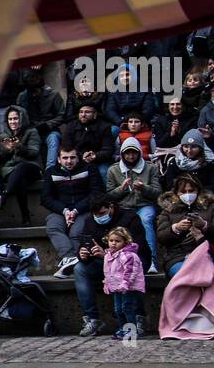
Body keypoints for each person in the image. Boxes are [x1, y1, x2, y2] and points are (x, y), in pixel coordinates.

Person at [70, 193, 150, 337]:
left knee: (132, 273)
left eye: (101, 213)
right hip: (105, 263)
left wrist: (108, 254)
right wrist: (83, 255)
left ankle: (138, 318)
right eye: (95, 214)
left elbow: (137, 248)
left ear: (110, 207)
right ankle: (92, 319)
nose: (98, 217)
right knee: (79, 269)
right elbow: (85, 244)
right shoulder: (90, 220)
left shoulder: (130, 218)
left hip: (130, 261)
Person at [155, 173, 214, 280]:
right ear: (176, 193)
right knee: (185, 275)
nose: (187, 194)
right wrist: (175, 228)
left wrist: (205, 226)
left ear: (198, 191)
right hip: (178, 257)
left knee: (212, 274)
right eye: (183, 192)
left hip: (208, 254)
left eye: (191, 191)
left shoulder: (211, 208)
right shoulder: (168, 210)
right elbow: (161, 237)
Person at [42, 145, 101, 277]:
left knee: (76, 232)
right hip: (60, 210)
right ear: (58, 159)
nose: (69, 161)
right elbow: (46, 198)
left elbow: (96, 193)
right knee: (53, 227)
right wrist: (64, 211)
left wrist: (76, 210)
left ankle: (76, 267)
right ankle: (70, 258)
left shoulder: (89, 168)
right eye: (65, 158)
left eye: (72, 157)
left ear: (78, 158)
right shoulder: (51, 172)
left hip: (84, 209)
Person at [104, 139, 161, 273]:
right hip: (123, 207)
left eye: (134, 153)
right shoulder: (113, 170)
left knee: (146, 220)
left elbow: (158, 193)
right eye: (127, 153)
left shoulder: (150, 167)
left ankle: (151, 260)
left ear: (139, 153)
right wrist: (121, 189)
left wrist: (144, 188)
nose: (130, 156)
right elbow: (109, 195)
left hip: (144, 205)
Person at [0, 106, 43, 224]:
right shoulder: (3, 135)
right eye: (10, 119)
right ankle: (25, 216)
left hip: (31, 167)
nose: (13, 122)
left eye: (16, 118)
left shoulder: (31, 132)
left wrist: (19, 146)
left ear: (22, 119)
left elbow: (33, 153)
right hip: (11, 170)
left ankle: (4, 196)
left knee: (21, 167)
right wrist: (8, 150)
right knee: (20, 179)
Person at [15, 69, 67, 169]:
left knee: (53, 139)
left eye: (36, 91)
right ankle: (36, 169)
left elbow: (62, 115)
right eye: (31, 92)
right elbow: (19, 116)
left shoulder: (53, 95)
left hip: (49, 130)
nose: (34, 94)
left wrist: (46, 125)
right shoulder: (22, 97)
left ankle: (50, 170)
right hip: (30, 131)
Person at [102, 226, 146, 339]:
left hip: (129, 288)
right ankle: (123, 329)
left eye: (117, 241)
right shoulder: (108, 255)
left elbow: (131, 272)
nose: (113, 243)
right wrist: (107, 283)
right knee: (118, 310)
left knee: (127, 308)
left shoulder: (129, 255)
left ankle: (131, 331)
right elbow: (108, 271)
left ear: (125, 242)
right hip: (117, 287)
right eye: (111, 240)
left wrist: (125, 284)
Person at [60, 101, 116, 181]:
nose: (83, 115)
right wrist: (81, 156)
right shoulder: (71, 126)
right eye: (81, 112)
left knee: (103, 172)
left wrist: (95, 156)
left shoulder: (104, 127)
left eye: (87, 112)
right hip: (76, 159)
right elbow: (66, 147)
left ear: (95, 114)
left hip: (99, 160)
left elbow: (108, 149)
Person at [161, 129, 214, 198]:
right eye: (186, 146)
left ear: (201, 148)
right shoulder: (174, 162)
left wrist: (195, 193)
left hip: (204, 197)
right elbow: (170, 184)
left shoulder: (210, 163)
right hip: (180, 196)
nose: (189, 151)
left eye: (194, 147)